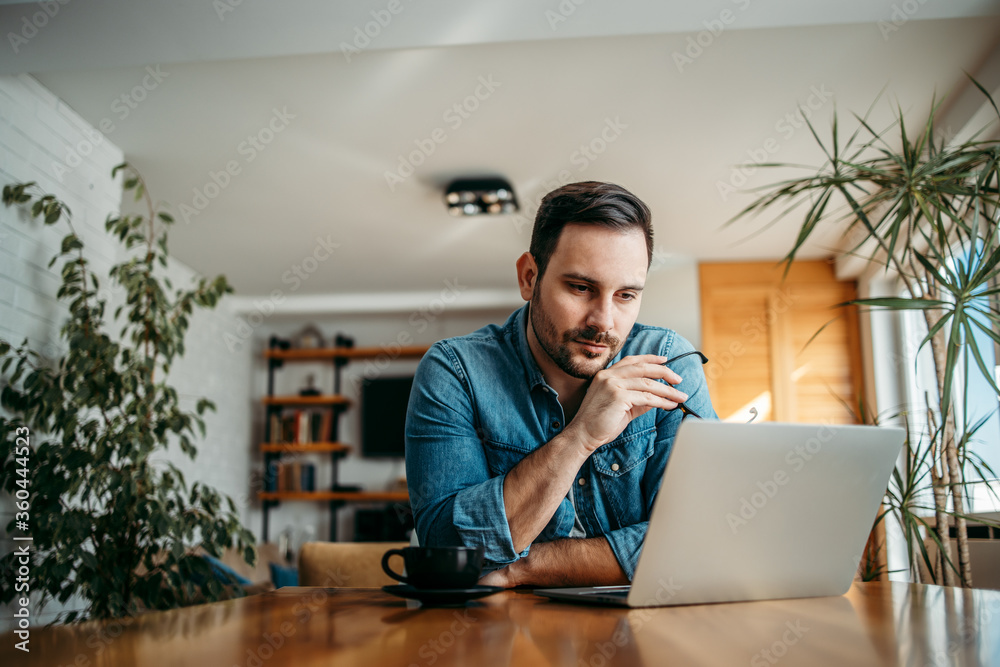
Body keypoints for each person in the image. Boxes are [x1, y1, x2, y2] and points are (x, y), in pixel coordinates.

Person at [404, 181, 717, 587]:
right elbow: (448, 551)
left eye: (625, 295)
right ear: (529, 277)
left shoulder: (669, 362)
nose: (603, 322)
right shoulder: (456, 371)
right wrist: (580, 436)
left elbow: (705, 538)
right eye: (582, 288)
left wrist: (523, 567)